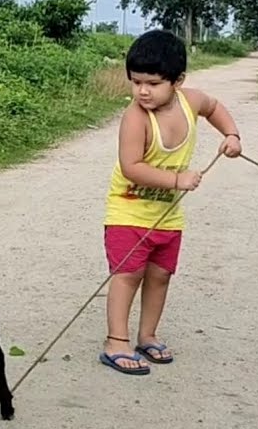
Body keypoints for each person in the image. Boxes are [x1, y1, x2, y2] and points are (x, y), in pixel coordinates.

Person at [99, 29, 242, 375]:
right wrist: (177, 180)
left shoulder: (191, 102)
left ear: (178, 81)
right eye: (136, 82)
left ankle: (147, 336)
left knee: (160, 275)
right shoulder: (136, 118)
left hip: (167, 215)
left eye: (153, 83)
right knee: (128, 275)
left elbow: (213, 107)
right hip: (128, 211)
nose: (142, 91)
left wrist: (232, 134)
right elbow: (131, 167)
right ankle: (116, 341)